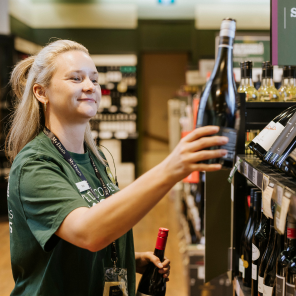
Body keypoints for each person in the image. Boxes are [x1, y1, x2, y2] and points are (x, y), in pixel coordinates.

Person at [6, 40, 229, 296]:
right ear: (41, 92)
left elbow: (82, 235)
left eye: (95, 79)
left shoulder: (95, 156)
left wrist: (128, 258)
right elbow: (88, 232)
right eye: (76, 79)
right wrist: (171, 168)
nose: (90, 86)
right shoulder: (35, 164)